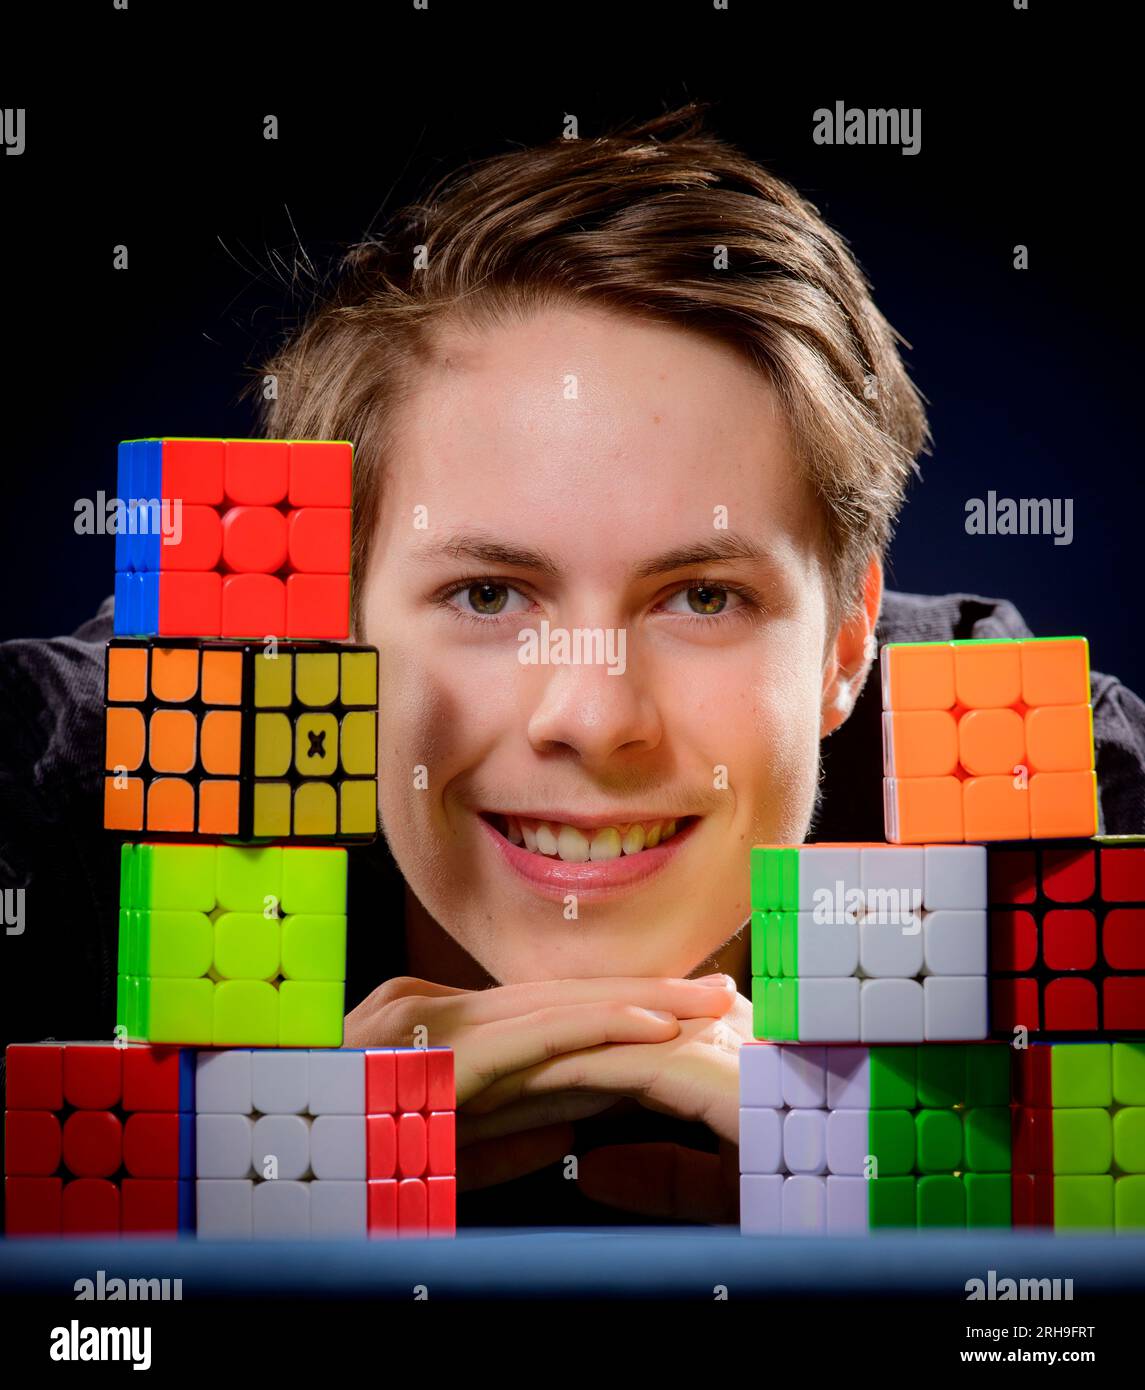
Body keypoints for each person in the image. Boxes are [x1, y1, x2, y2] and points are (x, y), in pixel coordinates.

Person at [3, 105, 1143, 1227]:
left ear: (848, 638)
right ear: (324, 627)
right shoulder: (68, 770)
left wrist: (959, 1172)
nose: (591, 717)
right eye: (487, 594)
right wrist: (217, 1152)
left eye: (702, 597)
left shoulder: (1062, 798)